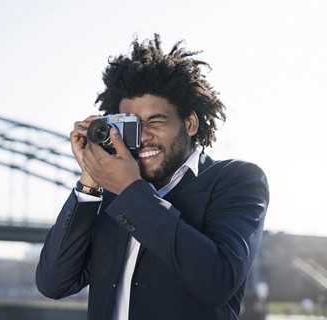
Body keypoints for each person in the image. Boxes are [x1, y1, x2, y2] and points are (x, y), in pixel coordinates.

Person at [36, 34, 269, 320]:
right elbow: (53, 283)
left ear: (190, 123)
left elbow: (216, 281)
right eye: (132, 126)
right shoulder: (115, 195)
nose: (143, 137)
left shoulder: (236, 179)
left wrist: (129, 188)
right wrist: (90, 182)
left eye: (156, 122)